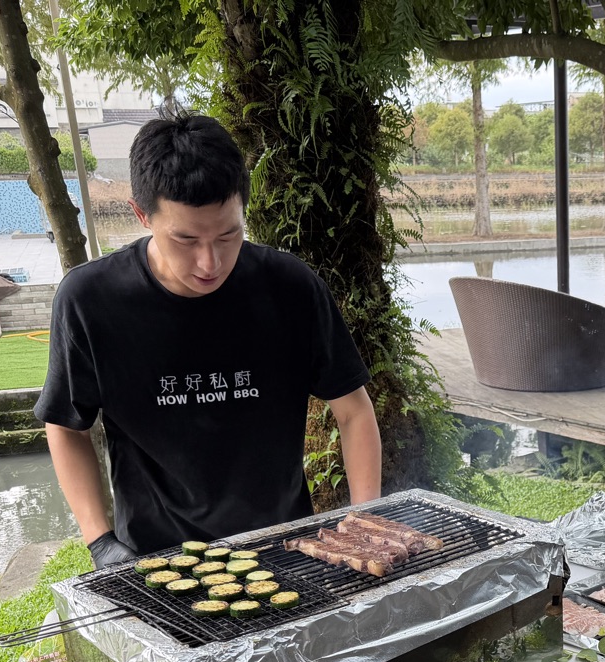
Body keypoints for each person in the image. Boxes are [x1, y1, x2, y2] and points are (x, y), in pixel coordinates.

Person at [36, 114, 382, 567]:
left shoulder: (290, 288)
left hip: (282, 545)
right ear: (142, 214)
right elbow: (65, 425)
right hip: (156, 558)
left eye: (228, 233)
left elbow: (353, 410)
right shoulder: (90, 300)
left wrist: (365, 517)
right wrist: (99, 539)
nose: (209, 262)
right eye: (185, 238)